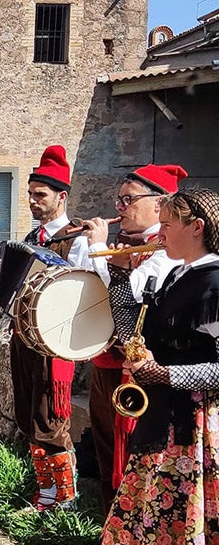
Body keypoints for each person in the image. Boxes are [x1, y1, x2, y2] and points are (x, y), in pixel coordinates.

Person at [100, 187, 219, 545]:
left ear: (197, 227)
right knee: (164, 533)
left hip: (194, 427)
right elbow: (129, 329)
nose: (160, 231)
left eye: (168, 223)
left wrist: (167, 375)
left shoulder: (214, 281)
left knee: (194, 543)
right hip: (162, 422)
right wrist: (120, 278)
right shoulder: (175, 274)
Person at [81, 164, 186, 509]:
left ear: (159, 204)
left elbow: (127, 295)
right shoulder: (132, 246)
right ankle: (109, 531)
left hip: (144, 371)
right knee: (107, 454)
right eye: (119, 200)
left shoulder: (166, 249)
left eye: (129, 200)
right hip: (108, 363)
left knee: (136, 460)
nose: (120, 208)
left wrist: (98, 250)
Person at [11, 145, 91, 511]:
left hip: (55, 343)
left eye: (40, 195)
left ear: (61, 197)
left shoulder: (78, 240)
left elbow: (85, 290)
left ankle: (66, 498)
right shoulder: (31, 241)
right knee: (29, 416)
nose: (32, 201)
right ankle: (44, 493)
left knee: (51, 418)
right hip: (24, 339)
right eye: (30, 194)